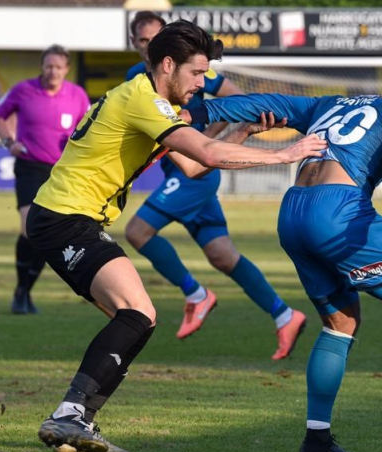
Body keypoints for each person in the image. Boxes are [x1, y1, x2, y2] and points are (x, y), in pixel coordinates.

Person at [29, 20, 326, 452]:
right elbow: (206, 153)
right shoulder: (142, 99)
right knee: (136, 313)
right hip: (65, 218)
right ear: (167, 64)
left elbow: (192, 167)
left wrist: (242, 132)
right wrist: (285, 153)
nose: (202, 83)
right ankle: (70, 415)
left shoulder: (150, 101)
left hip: (69, 219)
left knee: (137, 321)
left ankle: (76, 421)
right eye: (197, 73)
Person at [185, 60, 382, 452]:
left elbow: (264, 102)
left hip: (292, 214)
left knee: (340, 322)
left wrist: (200, 111)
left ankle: (317, 442)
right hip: (337, 212)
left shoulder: (330, 104)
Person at [123, 11, 306, 359]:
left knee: (137, 232)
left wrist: (208, 137)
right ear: (135, 44)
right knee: (223, 255)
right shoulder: (136, 78)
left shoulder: (191, 72)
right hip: (182, 172)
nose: (150, 47)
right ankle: (285, 315)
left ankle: (195, 294)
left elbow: (238, 103)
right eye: (143, 41)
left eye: (156, 38)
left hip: (192, 175)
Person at [0, 45, 90, 315]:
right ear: (42, 66)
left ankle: (23, 291)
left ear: (66, 69)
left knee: (46, 235)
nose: (53, 71)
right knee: (27, 227)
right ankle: (22, 292)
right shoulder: (24, 90)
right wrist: (8, 142)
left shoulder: (78, 95)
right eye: (49, 66)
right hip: (30, 166)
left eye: (58, 67)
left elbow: (89, 129)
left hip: (61, 171)